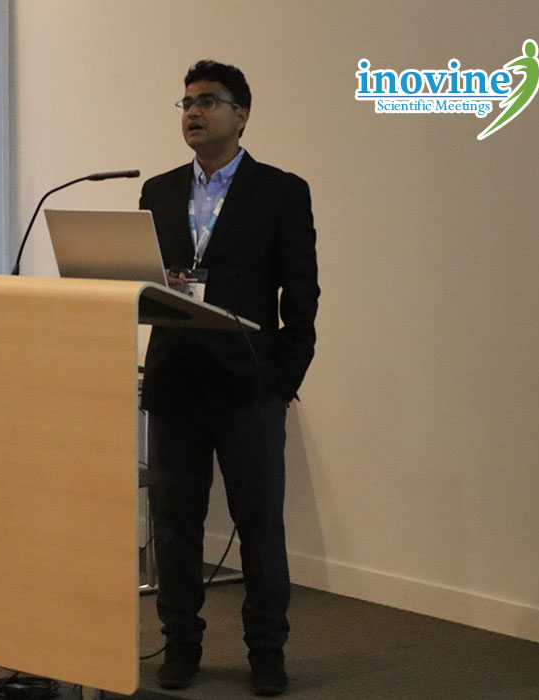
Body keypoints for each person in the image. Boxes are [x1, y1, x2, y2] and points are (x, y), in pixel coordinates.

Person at [140, 59, 319, 696]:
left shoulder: (280, 191)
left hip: (249, 389)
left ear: (241, 115)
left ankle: (266, 651)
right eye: (187, 102)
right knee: (174, 527)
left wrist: (282, 379)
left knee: (260, 527)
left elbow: (302, 294)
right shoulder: (159, 191)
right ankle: (180, 643)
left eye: (209, 101)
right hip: (175, 386)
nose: (193, 111)